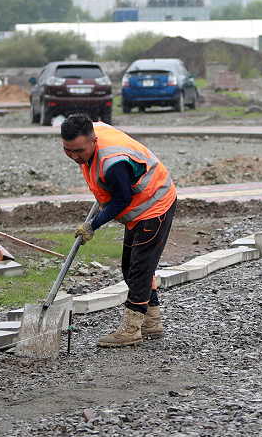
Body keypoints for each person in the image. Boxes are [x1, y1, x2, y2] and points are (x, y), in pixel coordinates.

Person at [60, 113, 177, 348]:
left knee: (140, 270)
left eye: (79, 151)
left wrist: (92, 225)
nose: (74, 157)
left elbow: (121, 200)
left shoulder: (113, 163)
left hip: (154, 205)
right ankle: (152, 322)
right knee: (130, 266)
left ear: (93, 140)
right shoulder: (94, 131)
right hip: (139, 210)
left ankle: (131, 328)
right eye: (67, 150)